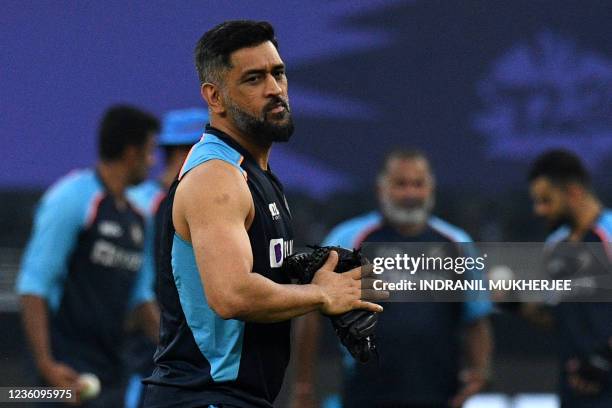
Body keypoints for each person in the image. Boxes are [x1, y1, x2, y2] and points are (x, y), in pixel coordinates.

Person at [142, 20, 382, 408]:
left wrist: (300, 276)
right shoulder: (216, 178)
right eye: (253, 79)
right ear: (215, 97)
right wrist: (319, 294)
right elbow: (232, 295)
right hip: (205, 397)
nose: (274, 89)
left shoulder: (256, 173)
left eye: (278, 73)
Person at [291, 149, 493, 408]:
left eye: (418, 184)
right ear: (380, 189)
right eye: (400, 184)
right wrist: (303, 388)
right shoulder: (347, 240)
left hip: (440, 394)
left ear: (431, 189)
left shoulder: (457, 243)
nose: (410, 194)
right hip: (365, 393)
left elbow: (476, 318)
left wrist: (481, 372)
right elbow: (310, 314)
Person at [16, 105, 161, 407]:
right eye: (149, 152)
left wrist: (177, 356)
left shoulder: (139, 217)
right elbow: (34, 285)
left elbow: (142, 299)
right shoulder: (71, 198)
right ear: (131, 153)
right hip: (61, 370)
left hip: (111, 371)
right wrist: (46, 365)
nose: (152, 162)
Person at [125, 108, 209, 408]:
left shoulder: (155, 200)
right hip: (151, 363)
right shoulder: (150, 206)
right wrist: (178, 355)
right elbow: (140, 292)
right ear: (190, 150)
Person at [527, 149, 612, 408]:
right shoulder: (555, 245)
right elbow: (557, 318)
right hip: (573, 394)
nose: (539, 210)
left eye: (546, 200)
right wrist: (514, 303)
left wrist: (603, 359)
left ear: (573, 192)